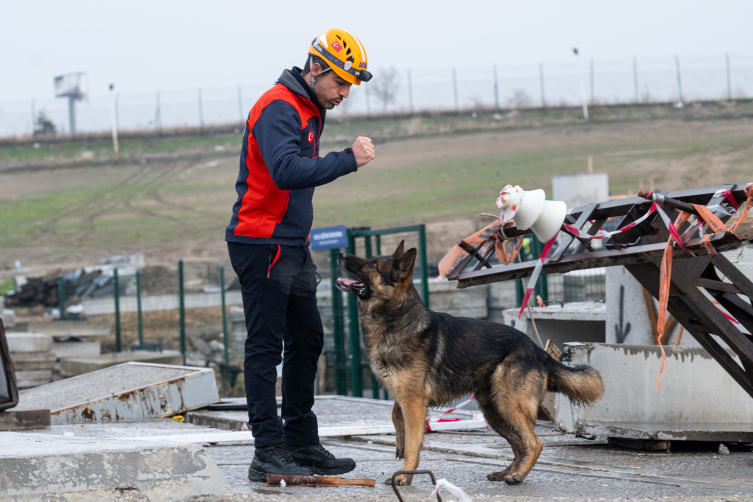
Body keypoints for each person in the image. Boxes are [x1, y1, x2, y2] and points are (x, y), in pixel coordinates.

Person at [225, 28, 376, 482]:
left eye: (350, 86)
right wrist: (347, 159)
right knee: (265, 348)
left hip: (291, 245)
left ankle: (301, 442)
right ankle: (267, 451)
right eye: (340, 83)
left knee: (307, 339)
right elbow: (286, 171)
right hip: (260, 243)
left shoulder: (308, 108)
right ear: (315, 69)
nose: (345, 94)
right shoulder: (278, 106)